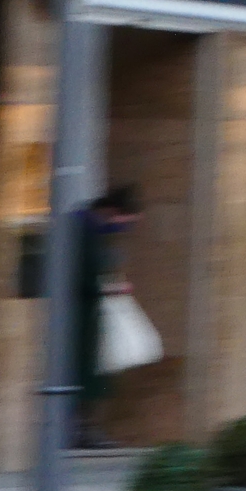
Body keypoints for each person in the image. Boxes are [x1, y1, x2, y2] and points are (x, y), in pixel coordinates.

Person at [71, 184, 143, 449]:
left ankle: (85, 429)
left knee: (94, 375)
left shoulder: (92, 230)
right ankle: (82, 431)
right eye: (125, 220)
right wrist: (110, 288)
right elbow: (83, 276)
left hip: (90, 316)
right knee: (86, 375)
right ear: (113, 211)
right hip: (81, 317)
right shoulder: (84, 230)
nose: (125, 227)